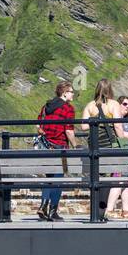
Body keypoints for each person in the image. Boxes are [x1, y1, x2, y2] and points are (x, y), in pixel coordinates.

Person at [82, 80, 127, 220]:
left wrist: (96, 122)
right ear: (110, 90)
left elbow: (83, 126)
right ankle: (102, 211)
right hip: (108, 145)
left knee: (96, 178)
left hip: (94, 146)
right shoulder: (113, 104)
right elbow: (119, 128)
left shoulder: (90, 105)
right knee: (107, 179)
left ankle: (95, 211)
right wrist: (123, 145)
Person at [36, 81, 76, 222]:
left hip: (46, 147)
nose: (73, 94)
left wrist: (46, 133)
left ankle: (43, 206)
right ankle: (53, 211)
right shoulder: (68, 109)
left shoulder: (46, 106)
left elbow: (38, 126)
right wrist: (76, 146)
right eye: (71, 91)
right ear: (64, 93)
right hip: (61, 148)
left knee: (49, 178)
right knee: (58, 179)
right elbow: (69, 130)